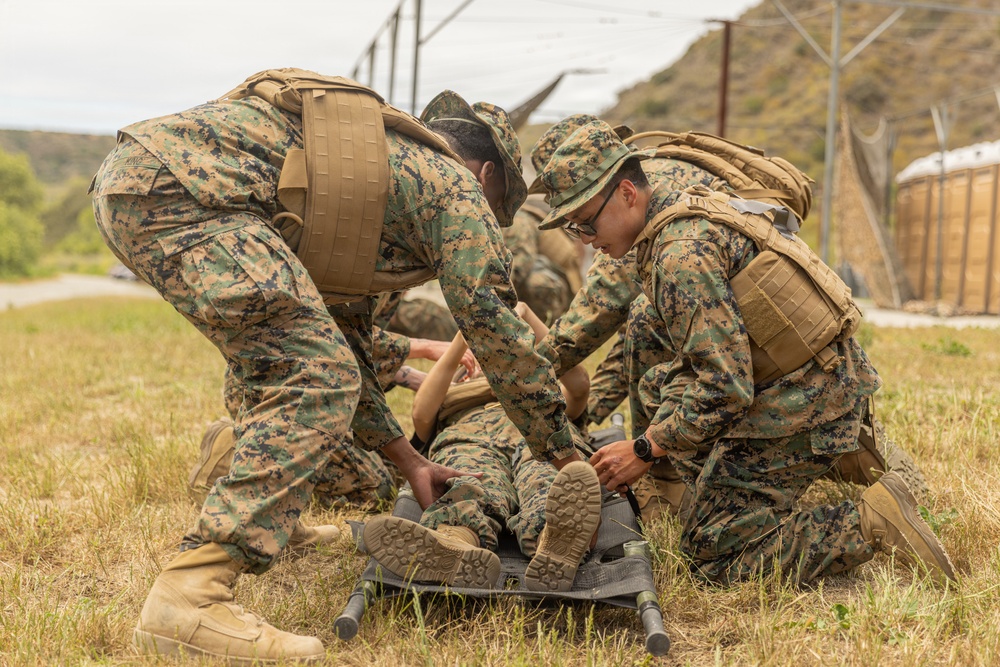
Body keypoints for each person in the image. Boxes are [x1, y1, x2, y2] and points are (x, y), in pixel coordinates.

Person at [91, 69, 581, 663]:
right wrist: (563, 453)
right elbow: (494, 324)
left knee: (291, 360)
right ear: (487, 177)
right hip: (186, 196)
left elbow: (347, 340)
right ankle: (189, 596)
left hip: (144, 178)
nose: (488, 224)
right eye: (496, 210)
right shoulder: (455, 187)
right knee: (315, 374)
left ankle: (280, 518)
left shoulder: (377, 174)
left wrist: (406, 459)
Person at [533, 118, 956, 586]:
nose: (585, 239)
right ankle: (725, 486)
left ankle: (869, 522)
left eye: (587, 222)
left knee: (712, 554)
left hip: (805, 400)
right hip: (809, 378)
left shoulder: (680, 254)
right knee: (656, 380)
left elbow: (725, 389)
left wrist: (644, 449)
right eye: (575, 227)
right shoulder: (683, 210)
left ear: (628, 194)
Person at [363, 303, 601, 592]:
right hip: (470, 435)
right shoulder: (454, 393)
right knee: (470, 481)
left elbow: (579, 385)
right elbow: (421, 414)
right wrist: (468, 331)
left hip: (540, 431)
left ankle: (554, 542)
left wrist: (527, 318)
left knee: (551, 480)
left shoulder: (542, 388)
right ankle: (455, 544)